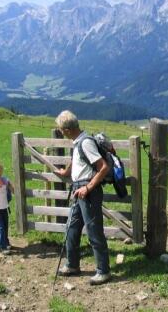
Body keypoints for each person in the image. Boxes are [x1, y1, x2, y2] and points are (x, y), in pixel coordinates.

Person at [54, 110, 111, 285]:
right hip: (79, 190)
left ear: (68, 129)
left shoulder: (86, 143)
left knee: (94, 230)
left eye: (62, 130)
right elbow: (77, 159)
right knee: (71, 227)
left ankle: (103, 271)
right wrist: (65, 172)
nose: (61, 133)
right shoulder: (78, 141)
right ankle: (72, 265)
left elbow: (104, 167)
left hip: (88, 191)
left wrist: (88, 187)